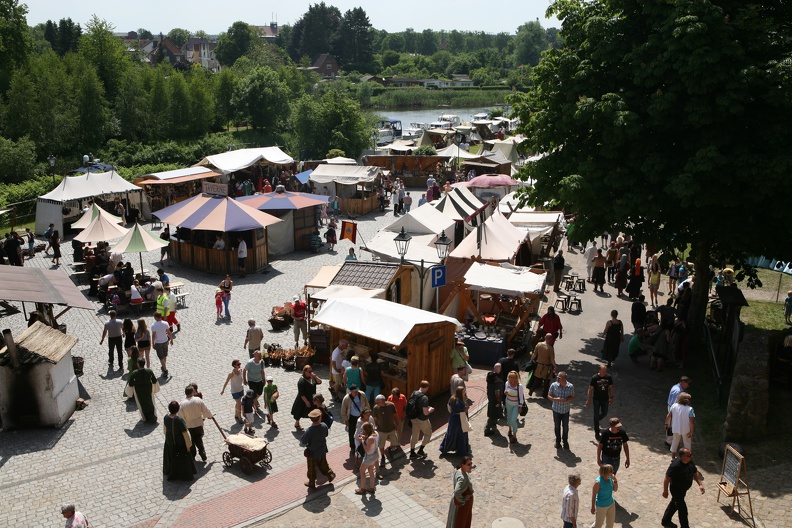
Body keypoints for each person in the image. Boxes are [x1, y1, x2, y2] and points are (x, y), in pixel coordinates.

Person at [662, 448, 705, 528]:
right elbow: (667, 478)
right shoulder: (675, 465)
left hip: (683, 490)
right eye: (689, 455)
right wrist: (665, 491)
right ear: (682, 456)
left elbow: (695, 473)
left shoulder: (690, 462)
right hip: (676, 490)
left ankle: (666, 521)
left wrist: (700, 484)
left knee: (674, 504)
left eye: (691, 455)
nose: (691, 456)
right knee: (683, 510)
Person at [301, 408, 335, 489]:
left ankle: (311, 483)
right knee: (324, 464)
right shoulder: (324, 426)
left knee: (311, 469)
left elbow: (303, 441)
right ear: (319, 418)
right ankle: (330, 475)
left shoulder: (309, 430)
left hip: (312, 453)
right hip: (322, 450)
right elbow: (326, 434)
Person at [163, 400, 197, 481]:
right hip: (179, 444)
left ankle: (171, 471)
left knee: (171, 457)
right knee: (181, 459)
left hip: (169, 442)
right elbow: (186, 434)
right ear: (178, 409)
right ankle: (182, 474)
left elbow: (165, 430)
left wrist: (168, 439)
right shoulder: (179, 421)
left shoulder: (166, 417)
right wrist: (188, 445)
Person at [179, 385, 213, 462]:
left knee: (191, 441)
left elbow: (180, 417)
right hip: (198, 424)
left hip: (188, 425)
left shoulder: (182, 404)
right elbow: (205, 410)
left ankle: (192, 455)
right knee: (199, 439)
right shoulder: (198, 400)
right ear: (192, 392)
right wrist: (209, 416)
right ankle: (202, 452)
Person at [440, 386, 472, 455]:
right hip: (460, 419)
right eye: (463, 391)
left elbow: (449, 408)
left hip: (452, 418)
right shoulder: (460, 402)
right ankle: (461, 450)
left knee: (451, 433)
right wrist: (467, 408)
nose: (464, 392)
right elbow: (463, 411)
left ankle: (444, 448)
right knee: (461, 434)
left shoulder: (452, 398)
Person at [585, 365, 614, 440]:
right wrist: (588, 399)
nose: (604, 372)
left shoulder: (608, 377)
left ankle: (596, 420)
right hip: (596, 399)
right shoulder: (595, 378)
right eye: (603, 371)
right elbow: (590, 389)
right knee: (596, 414)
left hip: (605, 399)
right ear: (599, 371)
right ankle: (597, 432)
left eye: (605, 371)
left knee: (605, 412)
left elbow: (611, 387)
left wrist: (611, 397)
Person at [446, 455, 475, 528]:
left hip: (458, 502)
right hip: (462, 505)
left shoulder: (458, 471)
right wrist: (463, 500)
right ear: (462, 465)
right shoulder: (462, 478)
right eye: (468, 464)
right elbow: (457, 491)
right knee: (460, 523)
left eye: (471, 463)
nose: (470, 466)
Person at [409, 380, 435, 459]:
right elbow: (425, 413)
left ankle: (412, 452)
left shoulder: (414, 393)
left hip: (413, 418)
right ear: (426, 387)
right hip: (422, 420)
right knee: (428, 433)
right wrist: (430, 409)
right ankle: (421, 450)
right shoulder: (424, 398)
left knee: (414, 434)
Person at [548, 371, 575, 449]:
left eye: (559, 378)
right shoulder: (554, 385)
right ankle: (557, 441)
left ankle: (565, 441)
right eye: (557, 377)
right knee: (557, 426)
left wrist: (566, 399)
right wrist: (555, 399)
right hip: (556, 409)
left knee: (565, 426)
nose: (557, 379)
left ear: (564, 378)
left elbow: (572, 397)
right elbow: (549, 395)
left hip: (565, 410)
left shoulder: (570, 386)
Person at [126, 358, 158, 422]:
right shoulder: (149, 371)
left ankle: (146, 418)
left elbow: (131, 383)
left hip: (139, 391)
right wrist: (155, 388)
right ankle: (152, 416)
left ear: (138, 364)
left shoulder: (134, 373)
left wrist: (128, 392)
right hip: (148, 389)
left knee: (142, 403)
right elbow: (154, 380)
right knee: (150, 401)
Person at [292, 364, 322, 430]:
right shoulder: (301, 381)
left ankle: (316, 424)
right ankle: (297, 423)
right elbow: (301, 394)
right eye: (309, 372)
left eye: (311, 371)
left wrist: (315, 376)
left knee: (315, 412)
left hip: (313, 399)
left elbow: (319, 382)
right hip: (303, 399)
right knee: (299, 411)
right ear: (304, 372)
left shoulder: (312, 378)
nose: (311, 373)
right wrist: (306, 402)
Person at [341, 384, 370, 454]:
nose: (357, 393)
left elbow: (367, 404)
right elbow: (343, 410)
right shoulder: (346, 398)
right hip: (352, 418)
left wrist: (367, 414)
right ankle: (353, 447)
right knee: (352, 433)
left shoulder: (362, 394)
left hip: (361, 417)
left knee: (364, 431)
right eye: (355, 392)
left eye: (357, 391)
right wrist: (346, 420)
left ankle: (364, 445)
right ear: (351, 391)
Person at [666, 392, 696, 457]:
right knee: (687, 443)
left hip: (676, 427)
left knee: (675, 442)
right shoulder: (690, 409)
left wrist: (667, 424)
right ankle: (687, 457)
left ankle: (673, 457)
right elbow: (691, 422)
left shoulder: (674, 406)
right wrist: (692, 431)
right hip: (686, 429)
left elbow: (668, 416)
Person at [372, 394, 398, 466]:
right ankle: (383, 456)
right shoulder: (376, 408)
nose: (376, 403)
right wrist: (376, 427)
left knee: (395, 443)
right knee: (381, 445)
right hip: (381, 430)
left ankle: (389, 449)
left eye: (377, 402)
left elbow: (395, 415)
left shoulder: (391, 405)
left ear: (383, 401)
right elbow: (375, 419)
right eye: (376, 402)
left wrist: (396, 424)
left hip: (391, 428)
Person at [528, 334, 557, 398]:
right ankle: (544, 394)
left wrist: (531, 360)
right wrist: (555, 366)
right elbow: (552, 359)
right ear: (550, 339)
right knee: (546, 381)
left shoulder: (539, 344)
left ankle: (532, 390)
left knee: (537, 379)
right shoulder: (550, 348)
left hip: (539, 365)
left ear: (545, 337)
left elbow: (534, 354)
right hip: (547, 367)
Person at [590, 464, 618, 528]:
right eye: (611, 471)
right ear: (606, 472)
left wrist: (615, 481)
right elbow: (594, 495)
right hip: (601, 506)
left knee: (610, 524)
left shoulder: (610, 479)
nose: (613, 472)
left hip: (611, 504)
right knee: (598, 525)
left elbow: (615, 489)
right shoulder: (598, 483)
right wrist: (593, 507)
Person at [355, 422, 379, 495]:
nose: (363, 432)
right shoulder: (376, 433)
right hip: (375, 454)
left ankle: (362, 489)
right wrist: (364, 437)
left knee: (362, 471)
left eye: (364, 430)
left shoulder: (370, 438)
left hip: (369, 456)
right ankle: (372, 488)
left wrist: (362, 441)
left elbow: (366, 449)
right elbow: (370, 439)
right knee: (371, 471)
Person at [502, 370, 524, 444]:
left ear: (516, 378)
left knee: (513, 419)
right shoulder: (507, 383)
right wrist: (505, 392)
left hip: (515, 405)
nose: (512, 379)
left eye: (514, 377)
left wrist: (520, 406)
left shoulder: (519, 386)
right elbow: (505, 391)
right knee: (509, 417)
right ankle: (510, 429)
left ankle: (514, 436)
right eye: (510, 377)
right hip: (508, 403)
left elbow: (521, 397)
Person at [220, 359, 245, 423]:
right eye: (238, 364)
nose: (239, 365)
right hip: (234, 391)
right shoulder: (231, 374)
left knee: (238, 403)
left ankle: (236, 414)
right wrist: (223, 390)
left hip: (240, 389)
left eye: (240, 364)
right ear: (234, 365)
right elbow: (226, 381)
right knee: (239, 403)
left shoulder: (240, 370)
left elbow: (241, 379)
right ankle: (240, 418)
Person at [243, 350, 266, 415]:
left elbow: (262, 371)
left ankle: (254, 400)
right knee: (254, 395)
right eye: (258, 356)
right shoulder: (250, 363)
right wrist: (244, 380)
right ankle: (256, 409)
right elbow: (244, 370)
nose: (260, 357)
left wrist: (264, 380)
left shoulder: (262, 362)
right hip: (252, 381)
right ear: (254, 356)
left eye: (260, 355)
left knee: (260, 393)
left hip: (259, 380)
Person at [151, 312, 173, 377]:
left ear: (156, 317)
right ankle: (164, 367)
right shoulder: (165, 323)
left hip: (158, 342)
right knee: (164, 355)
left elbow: (153, 335)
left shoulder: (154, 325)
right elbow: (168, 332)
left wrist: (153, 343)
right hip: (165, 341)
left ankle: (165, 370)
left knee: (161, 356)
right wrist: (171, 339)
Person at [484, 363, 504, 436]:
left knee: (493, 413)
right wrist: (498, 401)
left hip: (490, 397)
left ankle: (493, 426)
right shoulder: (498, 380)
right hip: (495, 400)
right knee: (493, 415)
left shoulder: (490, 376)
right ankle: (487, 429)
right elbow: (497, 392)